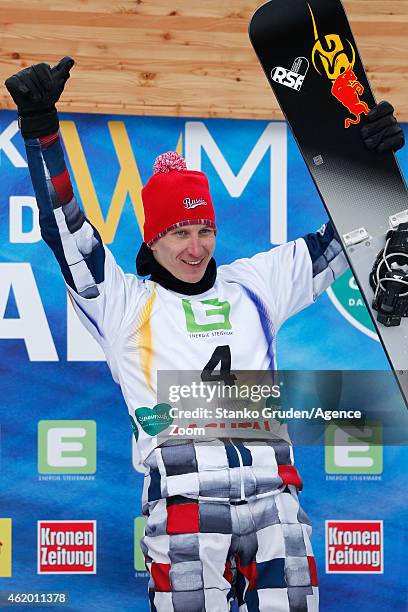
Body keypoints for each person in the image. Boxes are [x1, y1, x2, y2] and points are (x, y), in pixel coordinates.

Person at [5, 58, 404, 612]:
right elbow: (66, 232)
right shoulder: (126, 304)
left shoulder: (256, 284)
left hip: (274, 497)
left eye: (205, 230)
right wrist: (42, 133)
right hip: (185, 500)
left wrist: (369, 159)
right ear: (152, 240)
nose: (196, 248)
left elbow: (349, 235)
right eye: (178, 233)